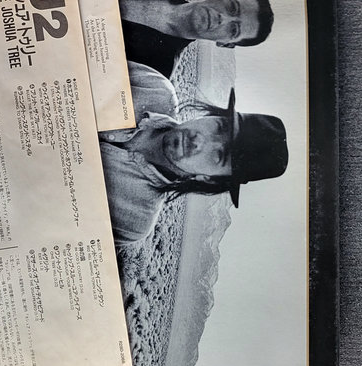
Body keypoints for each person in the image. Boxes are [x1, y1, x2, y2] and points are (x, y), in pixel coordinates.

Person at [100, 64, 289, 245]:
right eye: (219, 127)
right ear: (214, 116)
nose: (198, 141)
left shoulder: (135, 219)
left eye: (218, 155)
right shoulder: (154, 90)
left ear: (208, 179)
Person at [116, 0, 274, 78]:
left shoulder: (160, 69)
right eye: (232, 7)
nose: (222, 18)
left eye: (233, 29)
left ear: (225, 44)